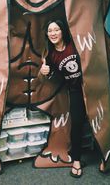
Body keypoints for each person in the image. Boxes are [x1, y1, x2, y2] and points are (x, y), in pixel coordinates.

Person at [40, 19, 86, 178]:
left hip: (89, 85)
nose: (53, 33)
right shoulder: (50, 55)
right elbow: (55, 77)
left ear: (63, 31)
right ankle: (77, 160)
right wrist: (46, 71)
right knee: (78, 122)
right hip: (74, 91)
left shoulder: (75, 43)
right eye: (49, 30)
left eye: (56, 29)